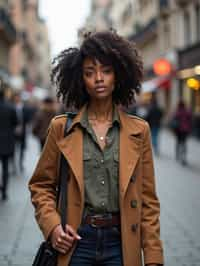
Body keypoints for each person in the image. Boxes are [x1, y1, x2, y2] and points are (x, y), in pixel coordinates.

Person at [29, 30, 164, 266]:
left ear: (118, 76)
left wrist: (153, 258)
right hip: (76, 242)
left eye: (106, 71)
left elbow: (149, 202)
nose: (99, 78)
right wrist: (53, 228)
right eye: (89, 73)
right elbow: (41, 186)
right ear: (80, 79)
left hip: (121, 244)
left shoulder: (138, 131)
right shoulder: (62, 128)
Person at [0, 80, 18, 200]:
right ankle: (5, 191)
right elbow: (16, 123)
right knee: (5, 167)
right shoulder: (10, 107)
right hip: (6, 142)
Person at [171, 100, 192, 165]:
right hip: (185, 130)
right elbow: (190, 119)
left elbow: (173, 120)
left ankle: (178, 154)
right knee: (184, 142)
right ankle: (183, 157)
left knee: (178, 142)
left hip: (178, 130)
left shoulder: (177, 112)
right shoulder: (187, 111)